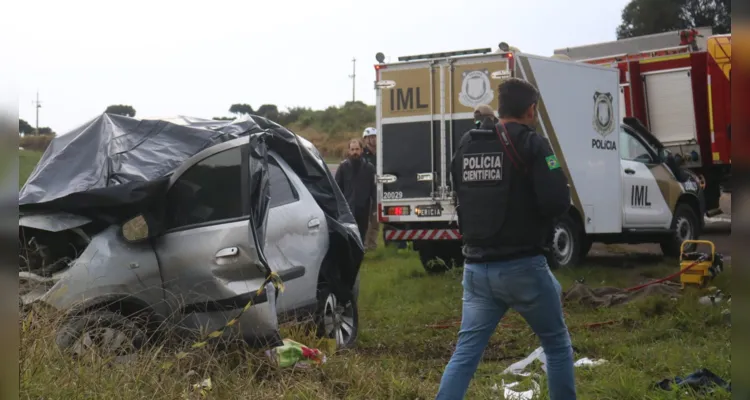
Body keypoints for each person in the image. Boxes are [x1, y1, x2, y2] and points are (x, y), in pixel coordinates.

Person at [436, 78, 576, 400]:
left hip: (476, 270)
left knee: (465, 355)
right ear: (531, 109)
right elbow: (557, 202)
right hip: (522, 267)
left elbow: (459, 187)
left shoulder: (468, 142)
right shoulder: (534, 144)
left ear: (500, 108)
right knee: (556, 345)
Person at [335, 138, 377, 243]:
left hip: (364, 208)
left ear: (361, 150)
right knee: (349, 234)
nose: (355, 152)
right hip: (347, 207)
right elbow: (337, 188)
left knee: (362, 233)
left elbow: (374, 189)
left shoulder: (369, 168)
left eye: (357, 149)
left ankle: (361, 252)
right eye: (352, 149)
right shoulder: (343, 167)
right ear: (349, 151)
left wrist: (375, 207)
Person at [362, 127, 380, 251]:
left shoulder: (381, 153)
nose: (373, 140)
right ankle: (364, 244)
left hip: (378, 190)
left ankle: (372, 245)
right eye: (370, 137)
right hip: (365, 190)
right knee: (365, 220)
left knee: (376, 220)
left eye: (374, 137)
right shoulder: (362, 155)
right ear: (365, 139)